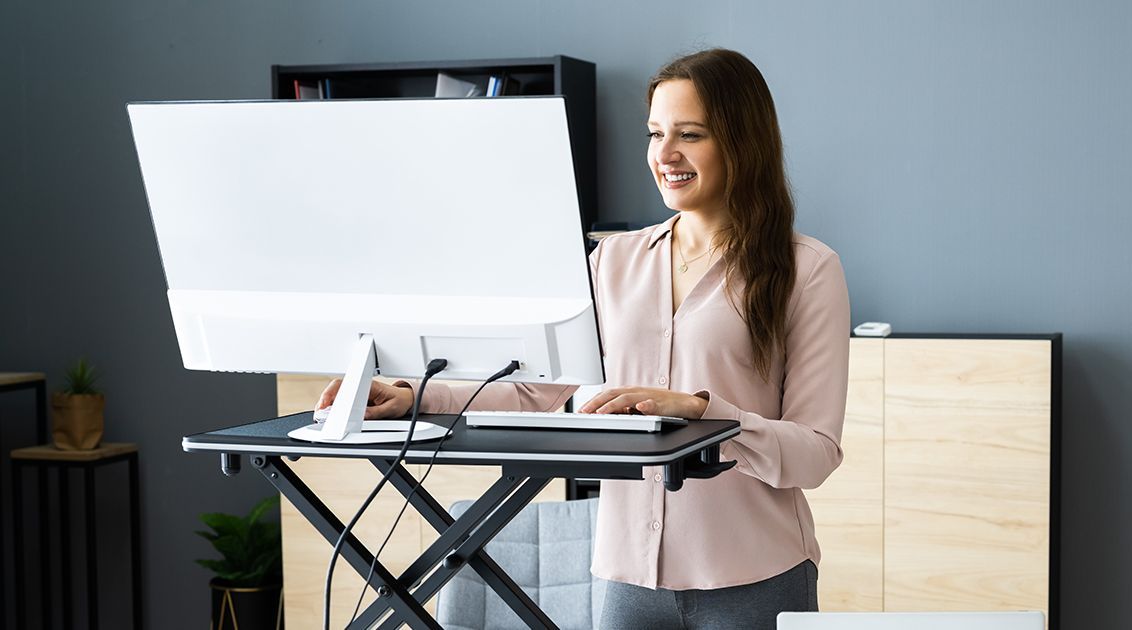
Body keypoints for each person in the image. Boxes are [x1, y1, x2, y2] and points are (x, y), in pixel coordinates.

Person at [317, 48, 850, 629]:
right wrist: (413, 396)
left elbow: (815, 453)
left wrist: (704, 413)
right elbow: (532, 392)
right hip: (626, 576)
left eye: (689, 134)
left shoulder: (808, 270)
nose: (664, 155)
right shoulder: (611, 262)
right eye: (655, 133)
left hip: (754, 576)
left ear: (742, 142)